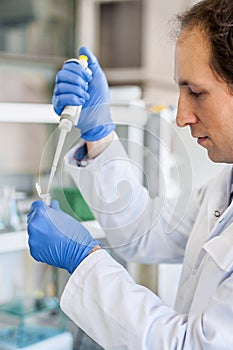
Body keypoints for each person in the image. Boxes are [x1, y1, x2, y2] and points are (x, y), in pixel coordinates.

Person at [27, 0, 233, 348]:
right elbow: (146, 231)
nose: (181, 116)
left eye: (196, 92)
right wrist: (99, 134)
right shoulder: (222, 189)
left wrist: (83, 261)